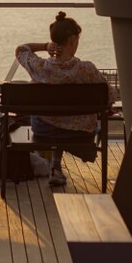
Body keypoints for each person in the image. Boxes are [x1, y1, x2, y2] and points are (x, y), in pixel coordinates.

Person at [15, 11, 112, 186]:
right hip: (80, 132)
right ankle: (56, 166)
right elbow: (109, 95)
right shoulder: (86, 69)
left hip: (44, 130)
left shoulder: (40, 67)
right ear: (74, 40)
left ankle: (54, 166)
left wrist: (46, 46)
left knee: (53, 117)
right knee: (65, 118)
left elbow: (21, 50)